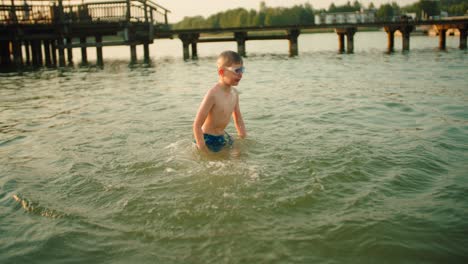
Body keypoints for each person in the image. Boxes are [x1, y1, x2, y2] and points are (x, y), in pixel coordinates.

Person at [193, 50, 247, 153]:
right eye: (237, 71)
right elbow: (197, 124)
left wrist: (243, 138)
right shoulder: (213, 94)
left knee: (238, 157)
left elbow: (238, 119)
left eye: (242, 70)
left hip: (222, 136)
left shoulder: (234, 93)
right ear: (222, 72)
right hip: (207, 138)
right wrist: (203, 149)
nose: (240, 75)